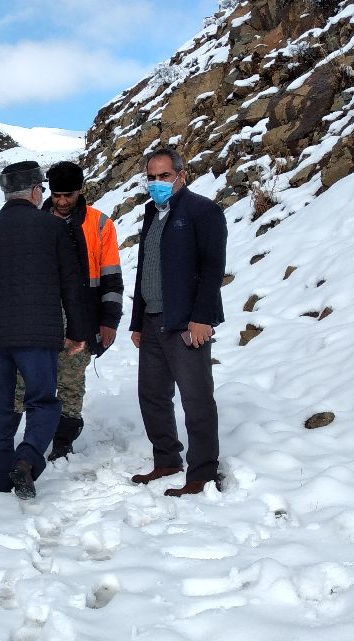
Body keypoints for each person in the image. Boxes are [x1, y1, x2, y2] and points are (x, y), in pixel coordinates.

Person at [0, 161, 94, 500]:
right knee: (43, 402)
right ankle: (29, 457)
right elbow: (71, 284)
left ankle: (3, 474)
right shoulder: (53, 229)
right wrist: (78, 331)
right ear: (36, 191)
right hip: (38, 336)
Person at [128, 148, 227, 496]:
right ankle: (167, 459)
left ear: (181, 176)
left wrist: (202, 318)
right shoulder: (151, 214)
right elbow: (146, 269)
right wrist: (137, 321)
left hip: (186, 323)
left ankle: (202, 471)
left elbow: (212, 269)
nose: (157, 183)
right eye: (151, 177)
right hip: (153, 320)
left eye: (164, 176)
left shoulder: (203, 211)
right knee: (152, 395)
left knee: (196, 398)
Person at [40, 161, 123, 460]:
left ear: (81, 191)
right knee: (27, 378)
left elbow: (112, 277)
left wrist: (109, 321)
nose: (62, 202)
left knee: (71, 380)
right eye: (57, 194)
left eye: (69, 195)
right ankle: (22, 435)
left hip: (83, 316)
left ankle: (64, 439)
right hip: (42, 315)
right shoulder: (36, 221)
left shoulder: (100, 224)